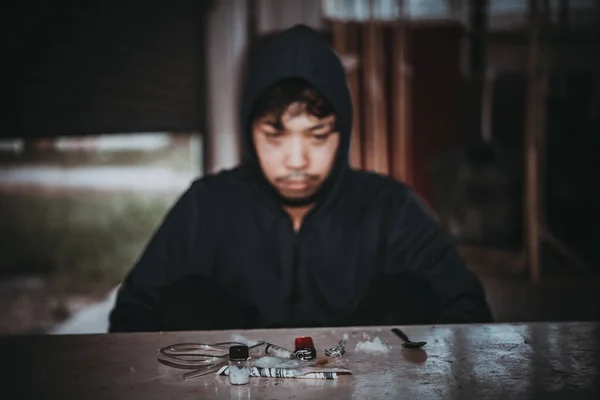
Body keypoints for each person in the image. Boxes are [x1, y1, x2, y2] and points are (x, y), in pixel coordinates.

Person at [109, 24, 492, 333]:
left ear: (342, 133)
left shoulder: (390, 207)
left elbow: (465, 302)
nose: (297, 160)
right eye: (275, 136)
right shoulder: (206, 205)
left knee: (410, 297)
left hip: (364, 390)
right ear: (249, 132)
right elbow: (135, 309)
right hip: (234, 388)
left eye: (318, 135)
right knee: (184, 302)